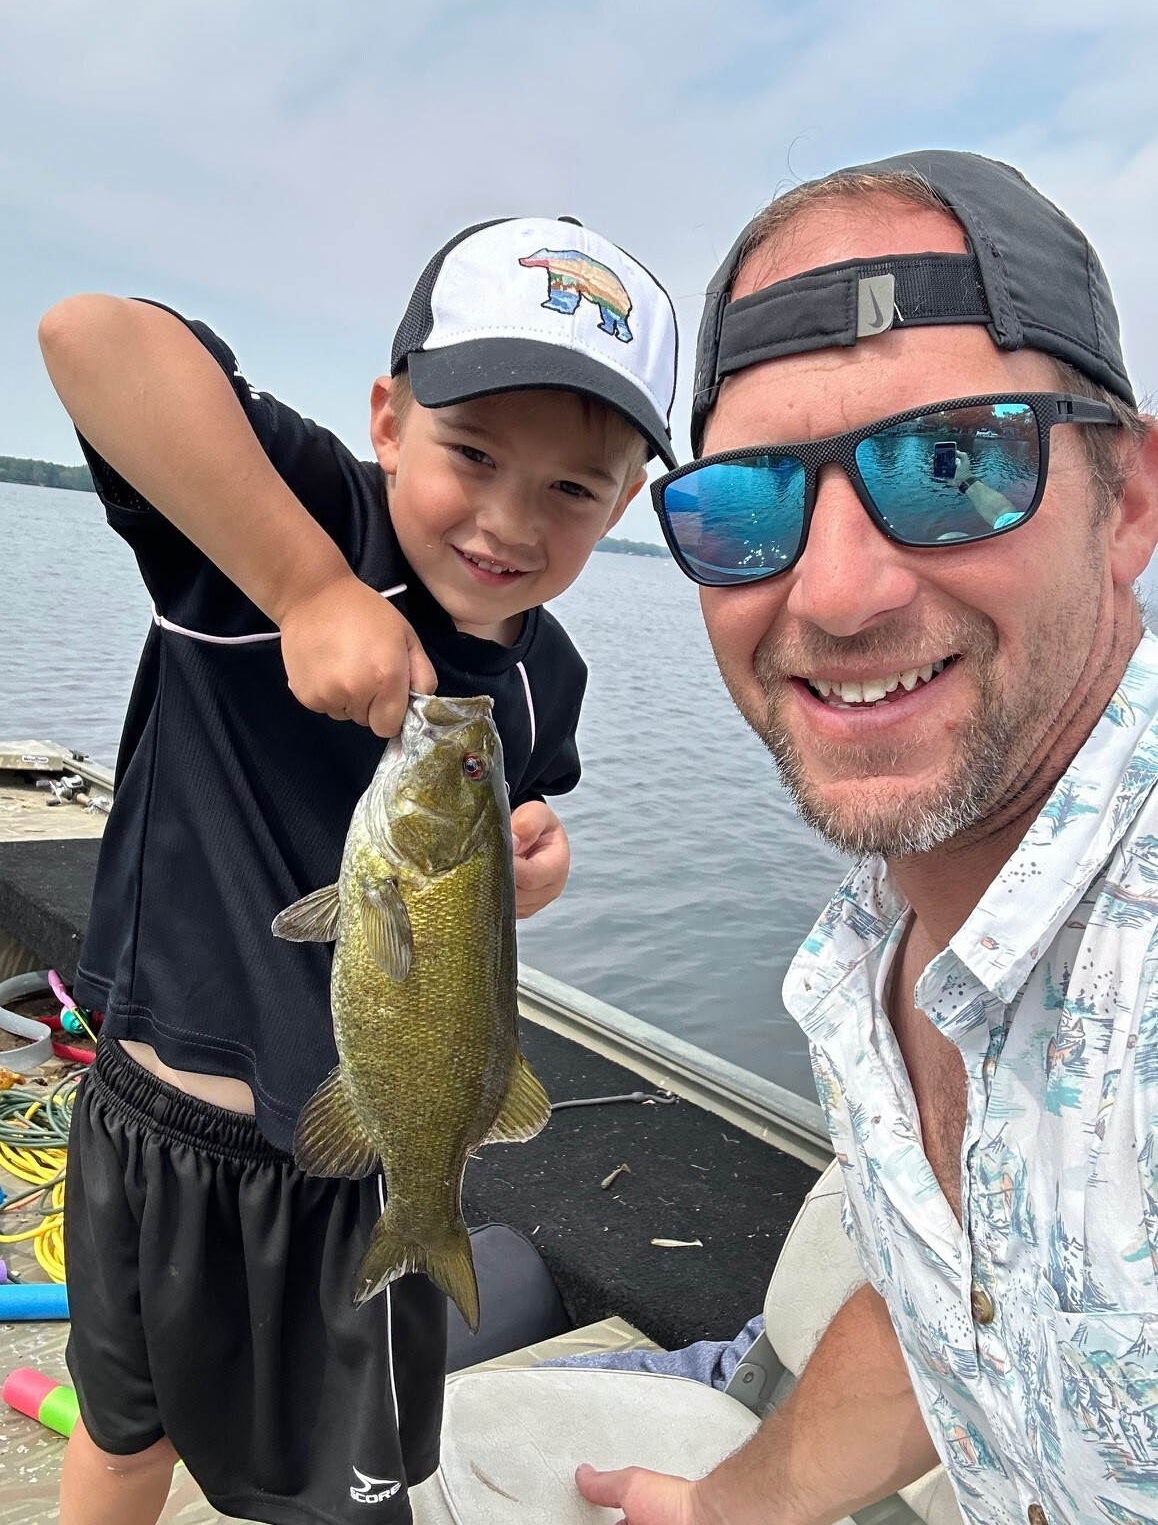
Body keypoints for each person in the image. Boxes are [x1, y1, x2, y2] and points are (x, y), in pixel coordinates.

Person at [38, 214, 678, 1525]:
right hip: (145, 1117)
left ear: (620, 505)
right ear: (388, 418)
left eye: (571, 488)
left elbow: (507, 837)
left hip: (348, 1174)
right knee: (121, 1427)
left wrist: (533, 867)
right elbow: (88, 337)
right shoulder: (283, 516)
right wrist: (308, 585)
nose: (507, 519)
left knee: (339, 1496)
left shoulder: (544, 676)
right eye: (473, 453)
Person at [576, 150, 1158, 1523]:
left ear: (1127, 501)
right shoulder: (874, 954)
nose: (832, 596)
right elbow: (956, 1316)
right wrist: (728, 1508)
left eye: (952, 463)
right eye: (746, 507)